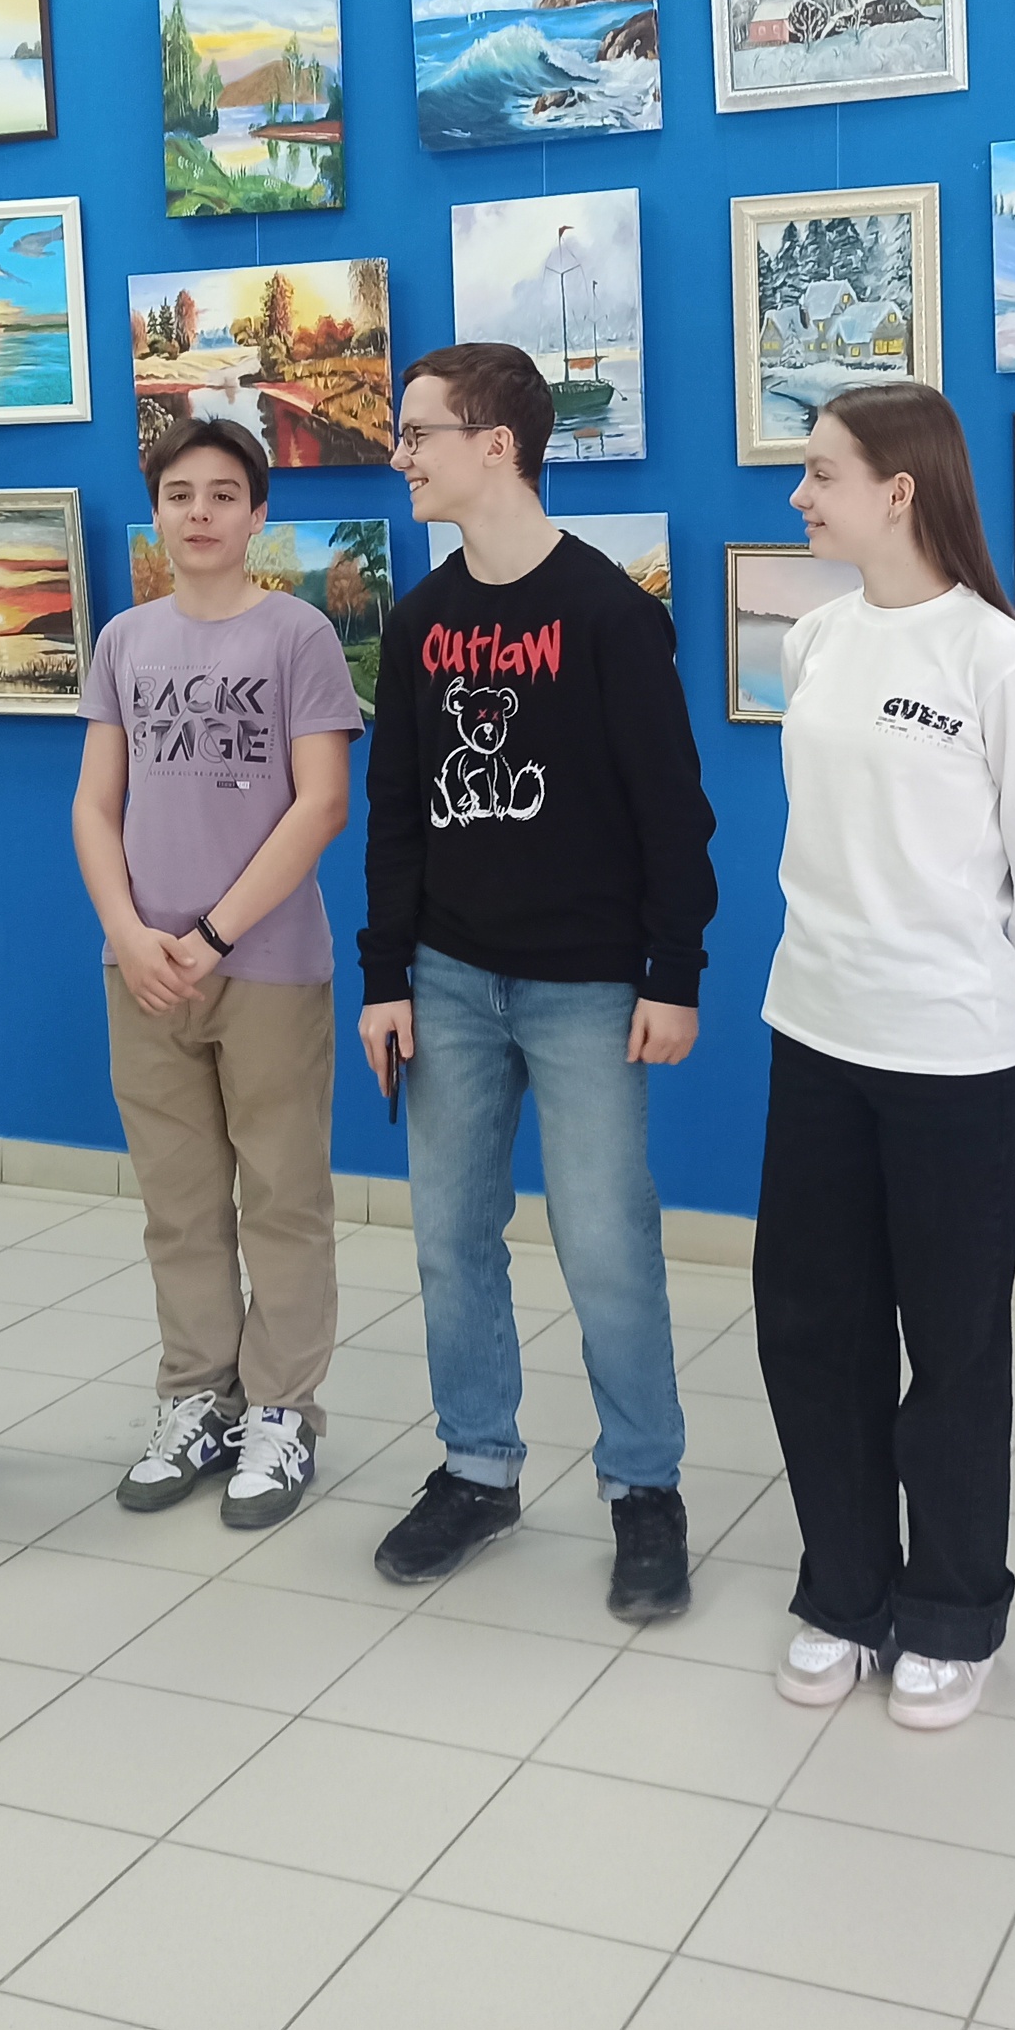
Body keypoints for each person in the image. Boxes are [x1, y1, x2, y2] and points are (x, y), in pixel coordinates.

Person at [358, 343, 717, 1620]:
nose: (400, 454)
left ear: (495, 445)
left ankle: (644, 1488)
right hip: (447, 981)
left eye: (419, 432)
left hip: (588, 989)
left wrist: (674, 972)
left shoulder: (611, 616)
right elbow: (395, 813)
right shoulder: (419, 622)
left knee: (607, 1242)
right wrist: (386, 974)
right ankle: (478, 1467)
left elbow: (673, 815)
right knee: (450, 1237)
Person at [755, 383, 1015, 1729]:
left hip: (956, 1058)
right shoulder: (817, 642)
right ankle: (844, 1591)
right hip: (815, 1032)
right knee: (812, 1327)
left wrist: (1001, 1002)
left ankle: (952, 1608)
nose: (799, 494)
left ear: (900, 489)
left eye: (821, 471)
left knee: (950, 1342)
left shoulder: (998, 660)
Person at [72, 414, 359, 1528]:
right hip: (143, 970)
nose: (200, 513)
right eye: (180, 494)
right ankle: (197, 1395)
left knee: (282, 1196)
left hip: (267, 965)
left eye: (223, 495)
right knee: (179, 1204)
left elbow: (320, 805)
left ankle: (282, 1411)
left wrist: (212, 937)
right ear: (156, 512)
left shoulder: (298, 635)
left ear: (257, 515)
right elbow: (96, 805)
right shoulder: (124, 640)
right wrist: (131, 931)